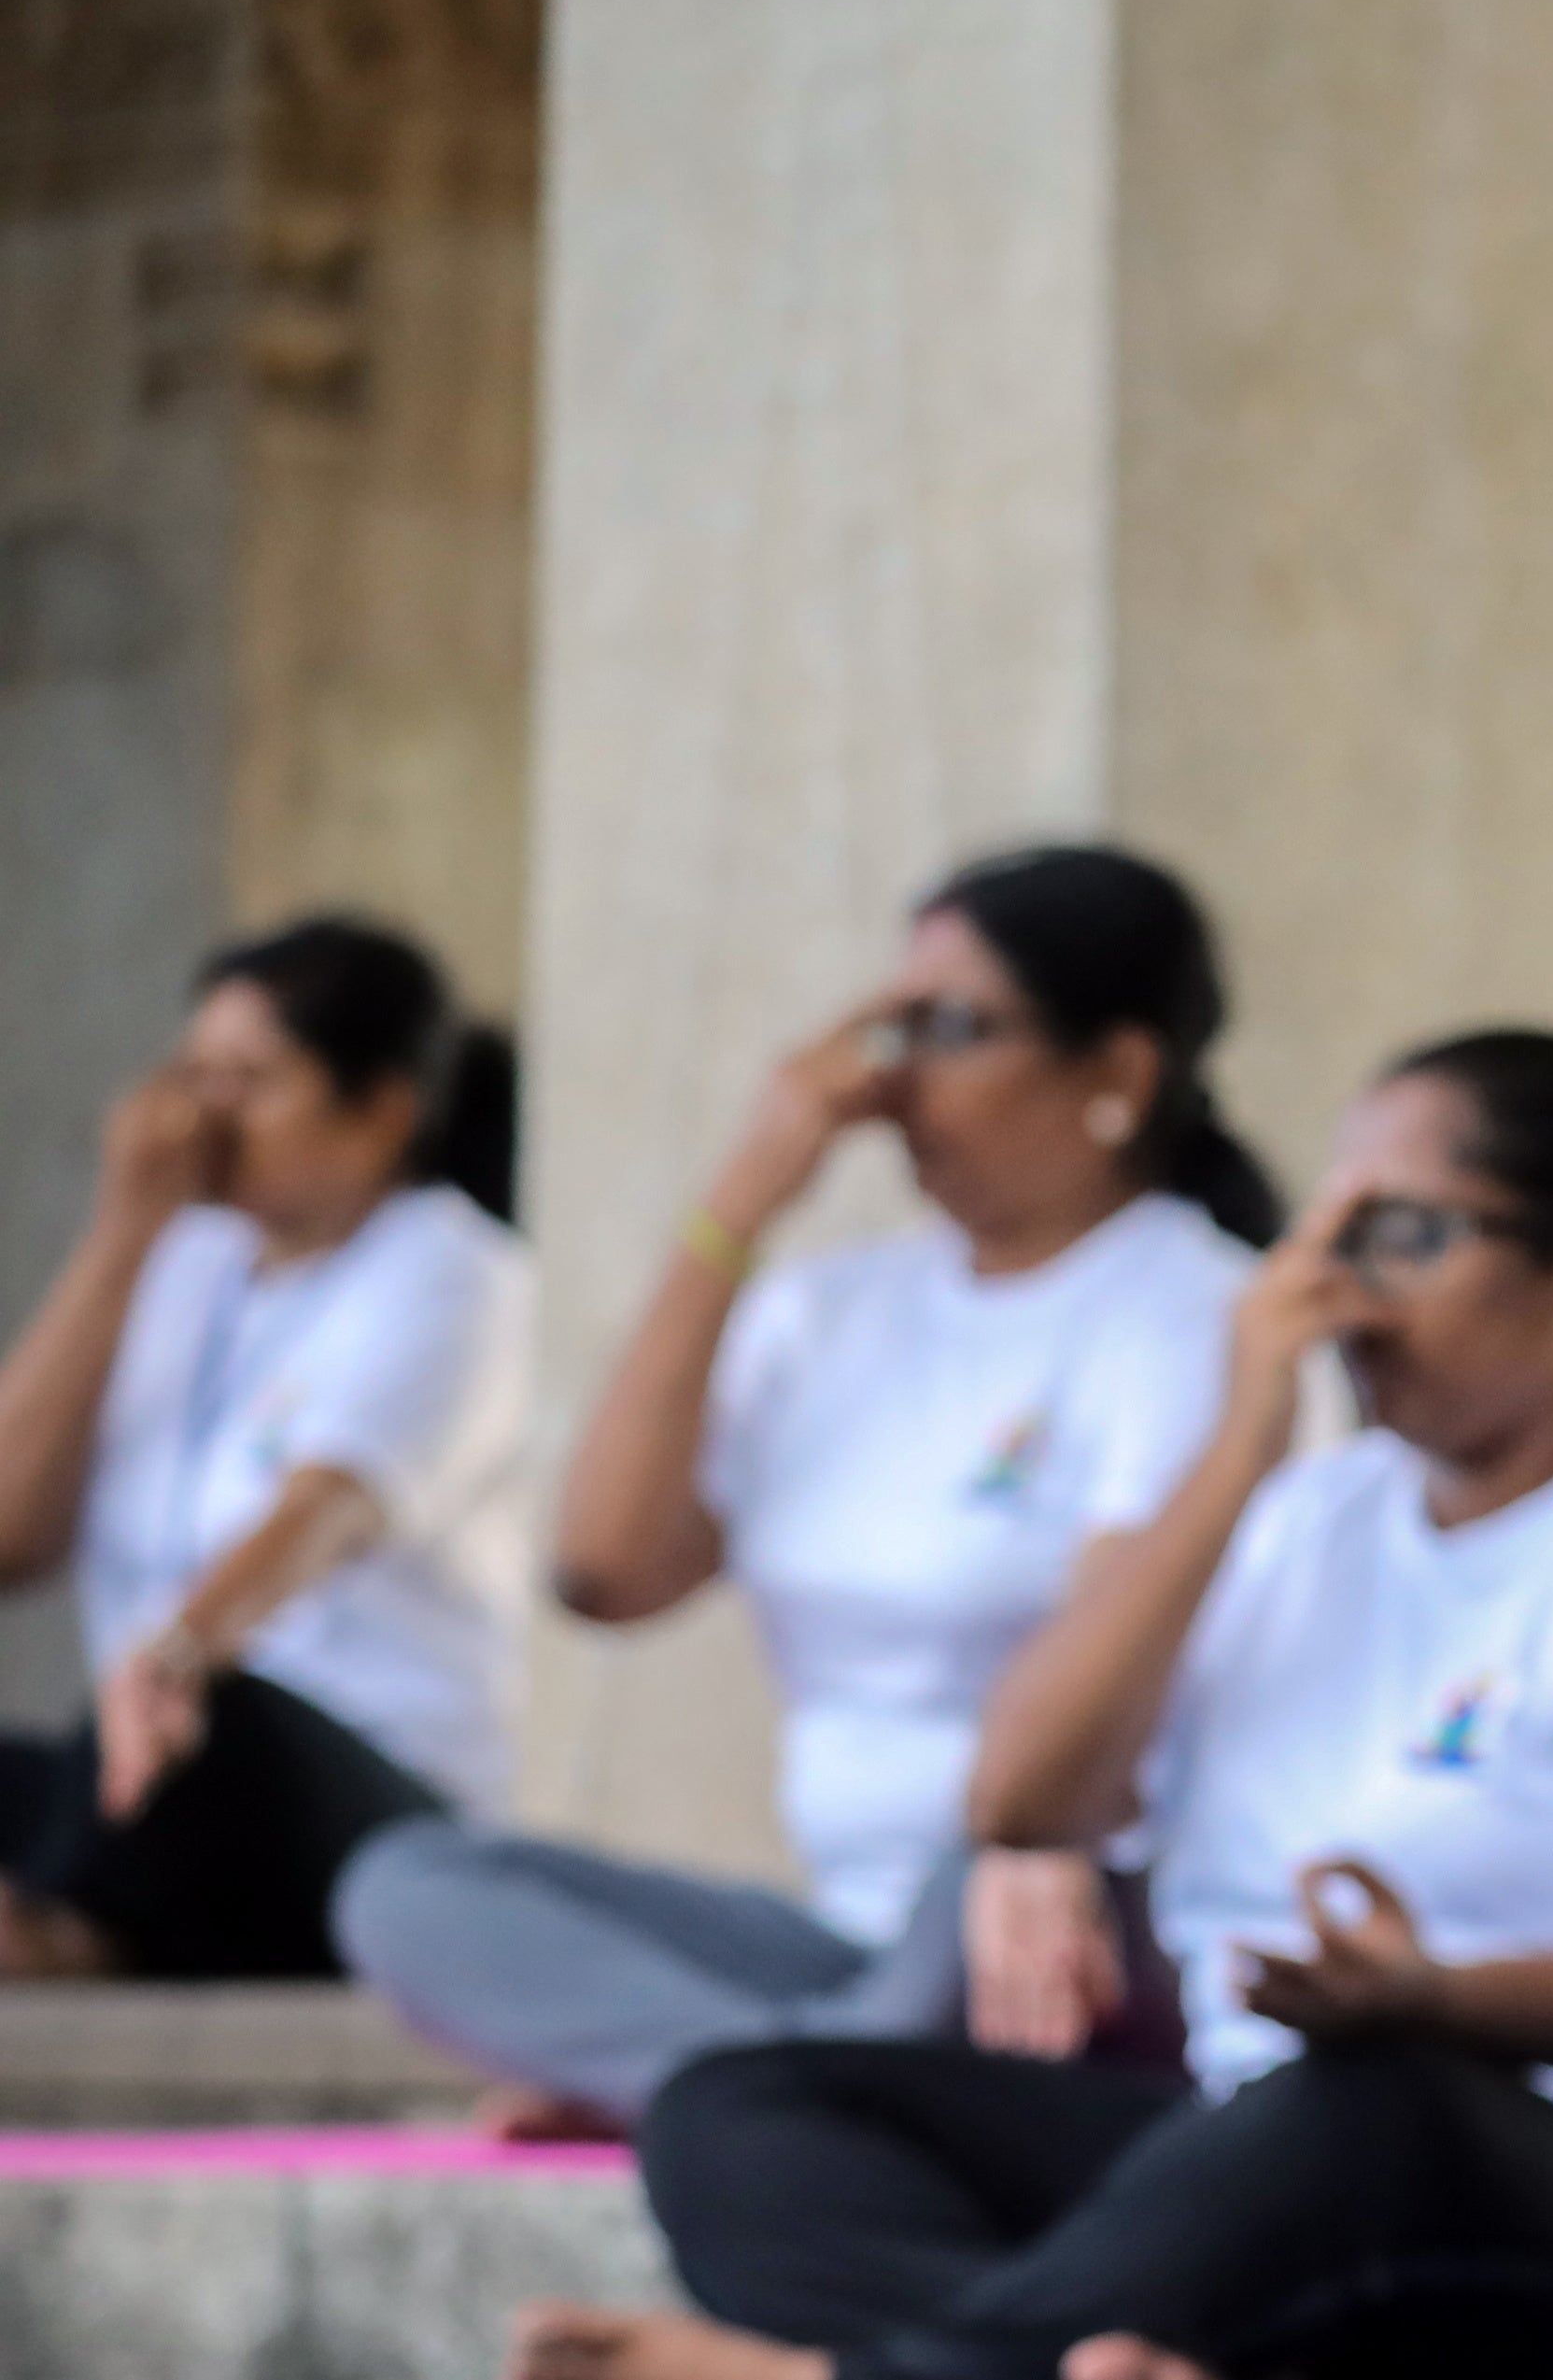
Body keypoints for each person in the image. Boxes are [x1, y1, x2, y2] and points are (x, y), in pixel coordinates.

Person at [501, 1028, 1553, 2380]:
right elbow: (1020, 1799)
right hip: (1276, 2195)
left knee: (1367, 2112)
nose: (1348, 1290)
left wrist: (1431, 2000)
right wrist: (1240, 1444)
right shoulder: (1305, 1526)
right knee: (748, 2112)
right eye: (1329, 1233)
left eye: (1409, 1236)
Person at [338, 847, 1270, 2127]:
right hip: (853, 1946)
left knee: (974, 1914)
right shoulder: (829, 1314)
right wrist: (743, 1195)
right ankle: (784, 2080)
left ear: (1116, 1072)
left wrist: (1026, 1847)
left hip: (1072, 1908)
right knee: (409, 1887)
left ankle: (722, 2082)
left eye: (952, 1029)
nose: (890, 1081)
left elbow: (1090, 1723)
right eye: (888, 1028)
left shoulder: (1195, 1310)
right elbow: (605, 1570)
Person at [0, 915, 527, 1978]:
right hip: (147, 1758)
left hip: (362, 1792)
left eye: (249, 1079)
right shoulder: (185, 1263)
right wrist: (118, 1236)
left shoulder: (452, 1270)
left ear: (381, 1111)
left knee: (219, 1727)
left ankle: (57, 1934)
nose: (204, 1115)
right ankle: (62, 1919)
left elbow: (326, 1506)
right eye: (192, 1074)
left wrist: (182, 1650)